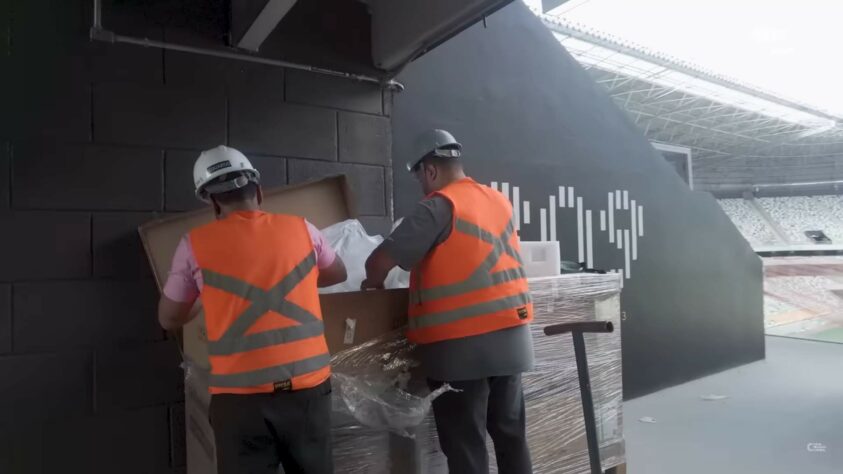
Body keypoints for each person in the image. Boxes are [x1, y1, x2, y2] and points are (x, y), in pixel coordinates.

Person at [158, 145, 346, 474]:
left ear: (212, 202)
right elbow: (337, 273)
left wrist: (203, 295)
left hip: (240, 402)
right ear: (258, 190)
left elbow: (169, 317)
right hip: (309, 393)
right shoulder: (304, 229)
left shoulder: (194, 245)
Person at [362, 130, 534, 473]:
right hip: (513, 338)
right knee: (510, 435)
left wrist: (372, 284)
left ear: (429, 170)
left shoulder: (439, 206)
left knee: (466, 447)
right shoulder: (497, 200)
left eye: (419, 177)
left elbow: (379, 261)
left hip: (460, 350)